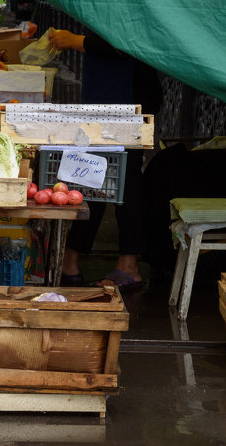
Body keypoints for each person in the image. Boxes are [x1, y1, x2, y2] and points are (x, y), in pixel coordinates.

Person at [49, 27, 162, 292]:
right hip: (105, 95)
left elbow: (127, 39)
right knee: (95, 172)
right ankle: (71, 258)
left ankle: (128, 265)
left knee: (125, 176)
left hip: (129, 96)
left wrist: (76, 41)